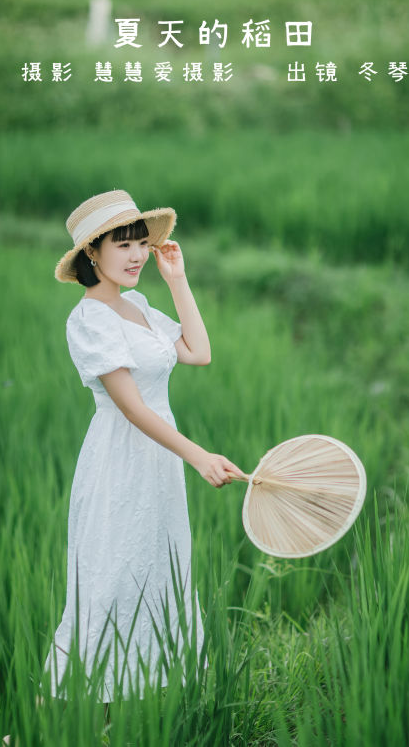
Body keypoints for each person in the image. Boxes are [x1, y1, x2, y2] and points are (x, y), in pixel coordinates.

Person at [41, 189, 247, 706]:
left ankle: (131, 710)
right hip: (119, 460)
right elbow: (132, 407)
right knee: (107, 580)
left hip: (159, 462)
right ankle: (47, 720)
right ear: (93, 252)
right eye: (122, 244)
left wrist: (177, 281)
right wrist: (199, 455)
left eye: (140, 243)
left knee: (157, 571)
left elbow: (198, 353)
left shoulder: (137, 304)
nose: (136, 255)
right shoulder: (89, 321)